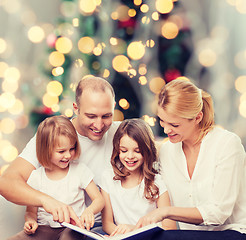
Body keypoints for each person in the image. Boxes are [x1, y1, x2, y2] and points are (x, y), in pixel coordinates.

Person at [0, 76, 120, 230]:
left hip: (95, 228)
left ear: (113, 107)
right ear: (76, 108)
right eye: (91, 116)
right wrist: (46, 200)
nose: (99, 125)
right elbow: (6, 183)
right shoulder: (55, 135)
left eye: (106, 116)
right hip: (52, 226)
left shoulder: (121, 134)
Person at [135, 79, 246, 240]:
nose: (166, 129)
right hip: (188, 235)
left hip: (232, 233)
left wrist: (165, 211)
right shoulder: (166, 151)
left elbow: (218, 213)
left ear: (197, 117)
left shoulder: (227, 144)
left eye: (174, 124)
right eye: (162, 121)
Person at [8, 115, 105, 240]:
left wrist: (89, 211)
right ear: (46, 150)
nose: (68, 155)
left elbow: (99, 199)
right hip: (44, 228)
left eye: (72, 148)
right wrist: (30, 221)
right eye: (61, 151)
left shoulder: (80, 170)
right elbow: (31, 211)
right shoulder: (37, 177)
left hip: (73, 228)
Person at [100, 119, 177, 237]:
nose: (130, 156)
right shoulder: (108, 178)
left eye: (137, 151)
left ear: (147, 150)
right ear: (117, 150)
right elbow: (107, 224)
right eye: (124, 150)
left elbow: (170, 227)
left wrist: (134, 231)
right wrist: (118, 235)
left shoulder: (157, 182)